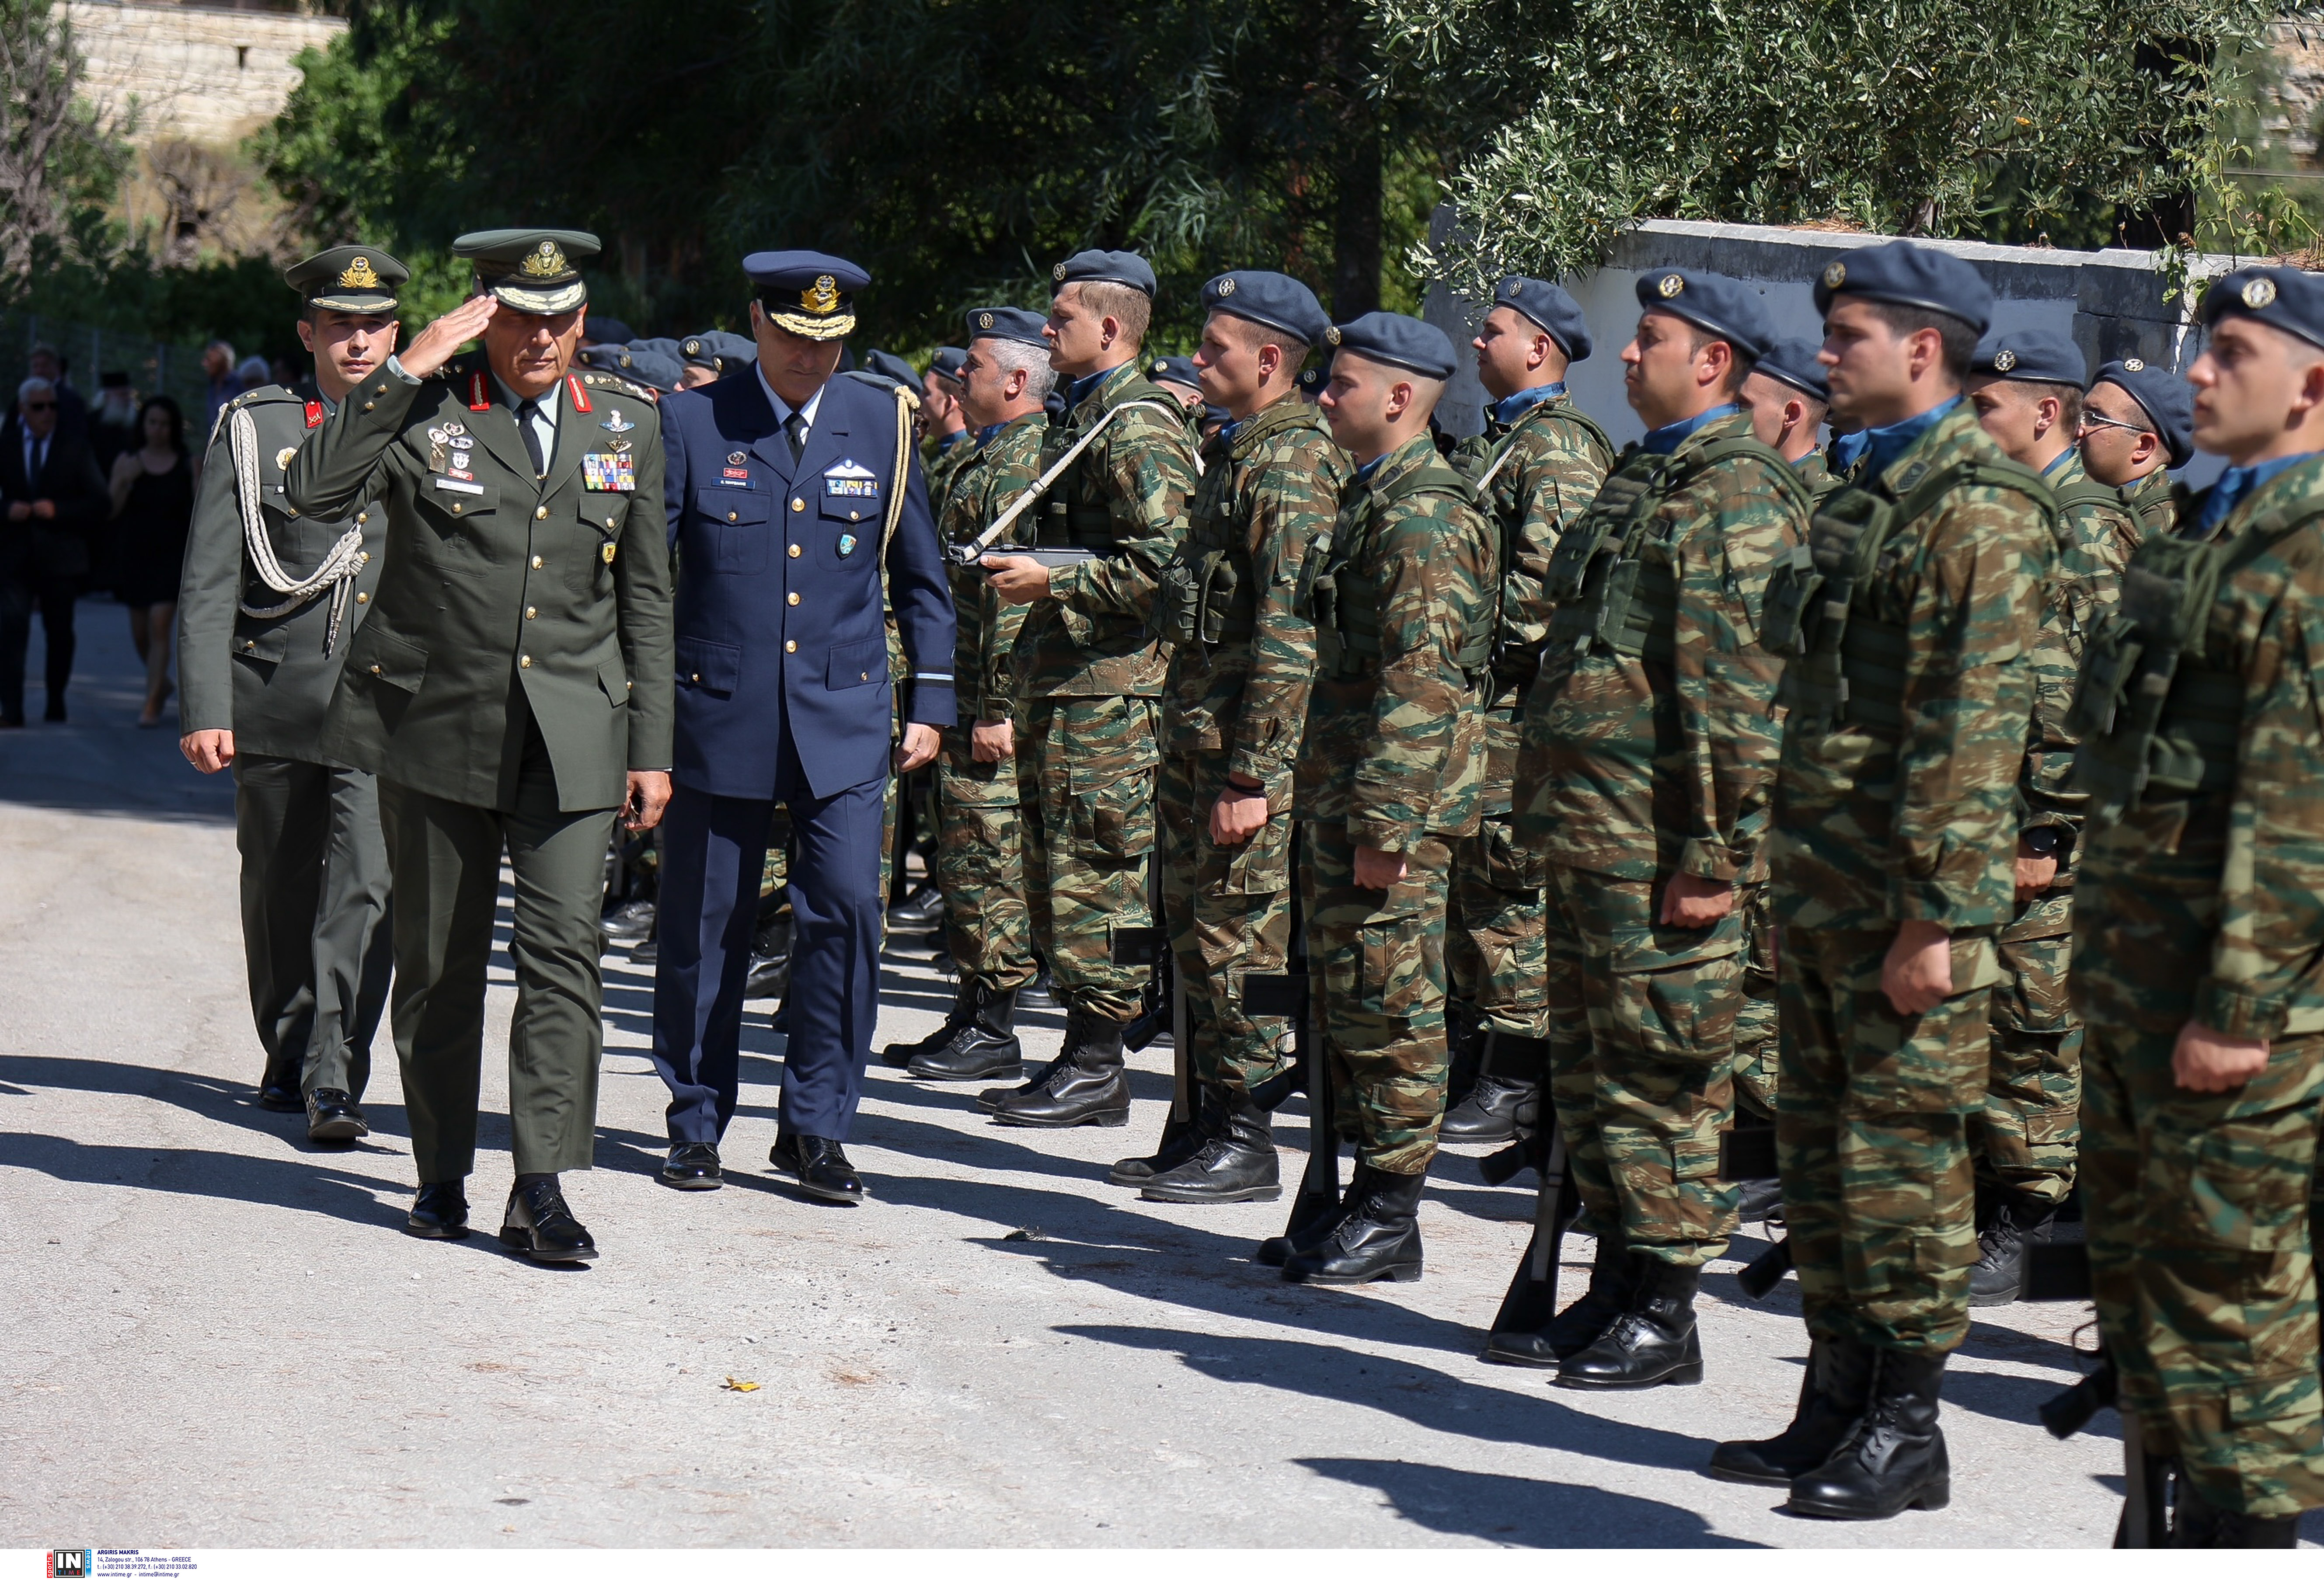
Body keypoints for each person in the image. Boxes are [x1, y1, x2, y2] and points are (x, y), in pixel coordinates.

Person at [1714, 240, 2053, 1520]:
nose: (1822, 357)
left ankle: (1906, 1425)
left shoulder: (1977, 507)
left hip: (1900, 908)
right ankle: (1835, 1398)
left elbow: (1971, 737)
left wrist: (1937, 918)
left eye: (1847, 335)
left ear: (1920, 349)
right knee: (1820, 1161)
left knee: (1903, 1163)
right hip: (1817, 890)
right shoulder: (1859, 497)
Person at [282, 227, 677, 1260]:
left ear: (583, 323)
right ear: (483, 317)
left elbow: (646, 598)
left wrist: (654, 748)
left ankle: (540, 1185)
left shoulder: (627, 427)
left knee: (565, 962)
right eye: (520, 318)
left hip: (576, 735)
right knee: (438, 965)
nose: (541, 338)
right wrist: (406, 370)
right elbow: (312, 496)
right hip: (438, 724)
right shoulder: (430, 409)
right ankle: (441, 1167)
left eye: (560, 320)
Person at [1505, 271, 1811, 1385]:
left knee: (1666, 1075)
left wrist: (1712, 858)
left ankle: (1670, 1307)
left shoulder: (1736, 496)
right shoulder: (1648, 478)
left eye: (1652, 340)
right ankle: (1622, 1276)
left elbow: (1738, 706)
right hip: (1593, 838)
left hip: (1660, 847)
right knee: (1592, 1075)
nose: (1626, 357)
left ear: (1715, 362)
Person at [2067, 264, 2324, 1548]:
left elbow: (2297, 811)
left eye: (2230, 350)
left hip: (2235, 1010)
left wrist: (2235, 1007)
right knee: (2152, 1283)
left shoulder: (2310, 556)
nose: (2200, 374)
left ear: (2312, 383)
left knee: (2225, 1294)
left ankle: (2240, 1540)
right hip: (2140, 983)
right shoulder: (2201, 533)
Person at [648, 250, 952, 1201]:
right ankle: (696, 1119)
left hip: (845, 713)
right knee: (707, 928)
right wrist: (643, 722)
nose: (809, 357)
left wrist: (934, 702)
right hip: (717, 713)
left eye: (828, 341)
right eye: (790, 336)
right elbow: (648, 581)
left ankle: (816, 1126)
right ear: (755, 321)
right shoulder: (694, 420)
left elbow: (921, 580)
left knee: (846, 919)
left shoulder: (882, 422)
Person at [1272, 310, 1491, 1284]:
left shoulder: (1423, 515)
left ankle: (1392, 1208)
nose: (1323, 396)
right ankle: (1352, 1187)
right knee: (1348, 1000)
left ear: (1398, 398)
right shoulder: (1374, 499)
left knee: (1393, 1003)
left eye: (1341, 384)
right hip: (1344, 792)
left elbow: (1421, 677)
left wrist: (1385, 823)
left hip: (1386, 809)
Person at [1125, 269, 1348, 1202]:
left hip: (1239, 759)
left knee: (1242, 944)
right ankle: (1206, 1116)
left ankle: (1248, 1129)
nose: (1200, 358)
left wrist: (1252, 773)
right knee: (1195, 932)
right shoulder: (1236, 450)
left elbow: (1291, 635)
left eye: (1215, 347)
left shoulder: (1292, 463)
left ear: (1267, 360)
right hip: (1198, 743)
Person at [177, 246, 405, 1138]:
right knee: (275, 888)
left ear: (396, 333)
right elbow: (209, 575)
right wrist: (205, 704)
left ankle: (334, 1071)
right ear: (307, 332)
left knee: (366, 888)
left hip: (384, 705)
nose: (357, 340)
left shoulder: (426, 425)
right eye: (340, 324)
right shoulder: (256, 427)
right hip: (275, 696)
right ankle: (287, 1036)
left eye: (374, 324)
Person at [979, 251, 1195, 1128]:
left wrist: (1052, 584)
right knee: (1060, 870)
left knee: (1100, 871)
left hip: (1111, 698)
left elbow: (1168, 563)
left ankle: (1100, 1060)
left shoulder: (1137, 426)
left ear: (1109, 328)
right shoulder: (1086, 415)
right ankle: (1080, 1051)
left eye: (1061, 317)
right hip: (1069, 689)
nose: (1045, 330)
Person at [1961, 328, 2147, 1306]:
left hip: (2042, 821)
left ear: (2043, 413)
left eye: (1983, 407)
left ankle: (2031, 1217)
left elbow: (2086, 693)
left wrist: (2048, 826)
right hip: (1982, 805)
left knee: (2033, 1021)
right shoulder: (2012, 512)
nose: (1967, 421)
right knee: (1989, 1013)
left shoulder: (2082, 523)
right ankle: (1997, 1194)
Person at [1442, 275, 1613, 1148]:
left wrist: (1456, 637)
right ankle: (1481, 1053)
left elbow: (1549, 603)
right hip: (1482, 709)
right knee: (1476, 886)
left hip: (1518, 709)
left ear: (1538, 347)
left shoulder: (1555, 452)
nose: (1477, 343)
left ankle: (1515, 1073)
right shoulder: (1507, 440)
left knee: (1509, 891)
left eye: (1494, 331)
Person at [881, 308, 1053, 1082]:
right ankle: (973, 1004)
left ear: (1017, 380)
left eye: (975, 367)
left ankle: (994, 1018)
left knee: (988, 858)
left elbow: (1011, 607)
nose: (959, 380)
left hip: (988, 704)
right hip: (957, 697)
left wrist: (996, 709)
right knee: (965, 856)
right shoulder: (984, 457)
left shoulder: (1022, 464)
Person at [0, 376, 108, 725]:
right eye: (39, 407)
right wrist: (7, 510)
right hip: (15, 556)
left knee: (59, 631)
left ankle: (55, 700)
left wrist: (59, 509)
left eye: (53, 406)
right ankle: (12, 708)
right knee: (11, 632)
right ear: (22, 411)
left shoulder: (74, 447)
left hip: (60, 556)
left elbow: (100, 501)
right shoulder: (8, 443)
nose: (47, 413)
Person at [107, 395, 195, 726]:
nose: (158, 430)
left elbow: (198, 510)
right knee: (140, 633)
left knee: (161, 624)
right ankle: (161, 684)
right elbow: (111, 510)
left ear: (173, 429)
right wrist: (123, 481)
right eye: (152, 423)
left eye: (164, 424)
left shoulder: (186, 463)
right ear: (143, 426)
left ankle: (150, 704)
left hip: (171, 554)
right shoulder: (128, 461)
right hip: (135, 554)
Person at [2080, 356, 2191, 539]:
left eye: (2095, 419)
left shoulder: (2168, 529)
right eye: (2081, 414)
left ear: (2144, 446)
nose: (2078, 429)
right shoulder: (2094, 498)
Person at [1741, 337, 1838, 496]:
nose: (1731, 413)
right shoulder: (1728, 478)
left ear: (1792, 415)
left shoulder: (1831, 510)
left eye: (1744, 404)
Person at [25, 345, 88, 441]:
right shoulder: (23, 398)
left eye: (44, 366)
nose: (39, 371)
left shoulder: (72, 401)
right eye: (35, 366)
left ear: (56, 368)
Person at [89, 371, 139, 474]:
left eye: (128, 395)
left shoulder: (134, 424)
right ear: (108, 397)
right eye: (122, 394)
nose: (127, 399)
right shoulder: (90, 423)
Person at [201, 340, 240, 437]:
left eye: (209, 359)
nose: (204, 364)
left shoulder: (238, 385)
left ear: (222, 360)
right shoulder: (212, 386)